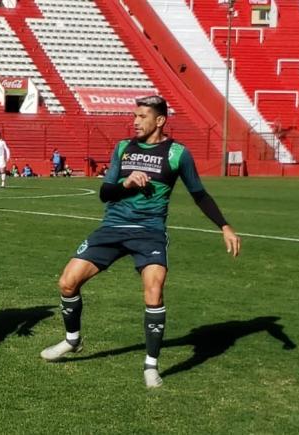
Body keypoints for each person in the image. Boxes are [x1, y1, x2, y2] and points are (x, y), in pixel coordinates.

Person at [40, 95, 241, 388]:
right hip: (112, 227)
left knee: (154, 291)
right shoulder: (123, 148)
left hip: (149, 232)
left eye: (142, 116)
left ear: (159, 120)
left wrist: (224, 226)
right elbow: (105, 193)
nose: (135, 121)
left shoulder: (177, 154)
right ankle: (72, 340)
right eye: (135, 116)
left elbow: (199, 194)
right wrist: (127, 183)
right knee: (67, 283)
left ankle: (150, 366)